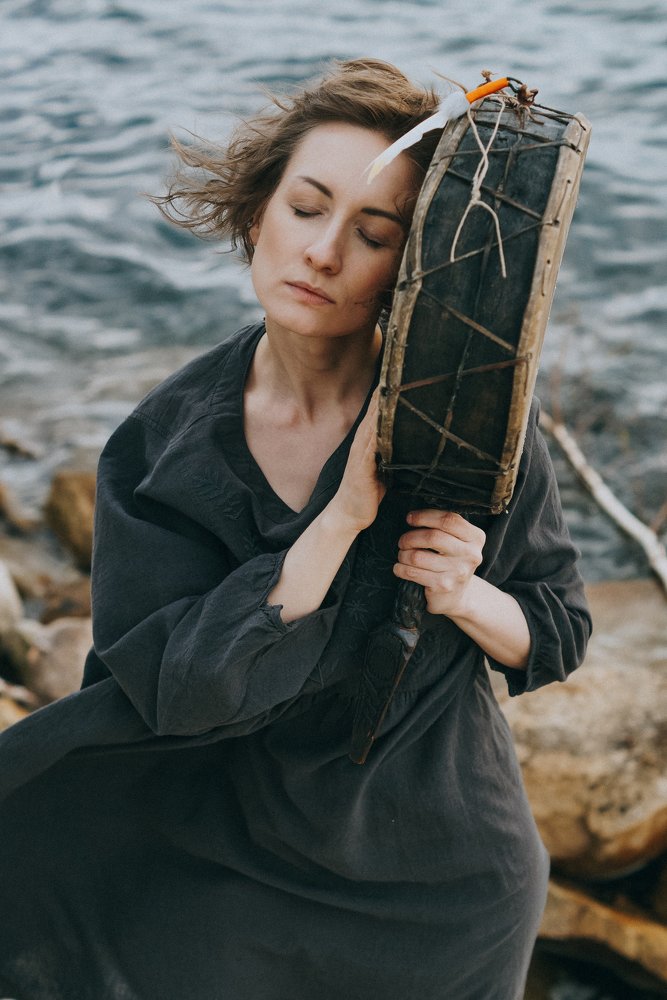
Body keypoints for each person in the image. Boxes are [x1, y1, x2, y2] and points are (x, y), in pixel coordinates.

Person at [0, 59, 590, 1000]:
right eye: (306, 208)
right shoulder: (162, 446)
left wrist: (464, 594)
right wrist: (341, 519)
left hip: (445, 887)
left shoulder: (471, 422)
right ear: (255, 215)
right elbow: (178, 693)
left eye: (373, 234)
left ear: (412, 266)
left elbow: (556, 632)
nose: (321, 253)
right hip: (221, 877)